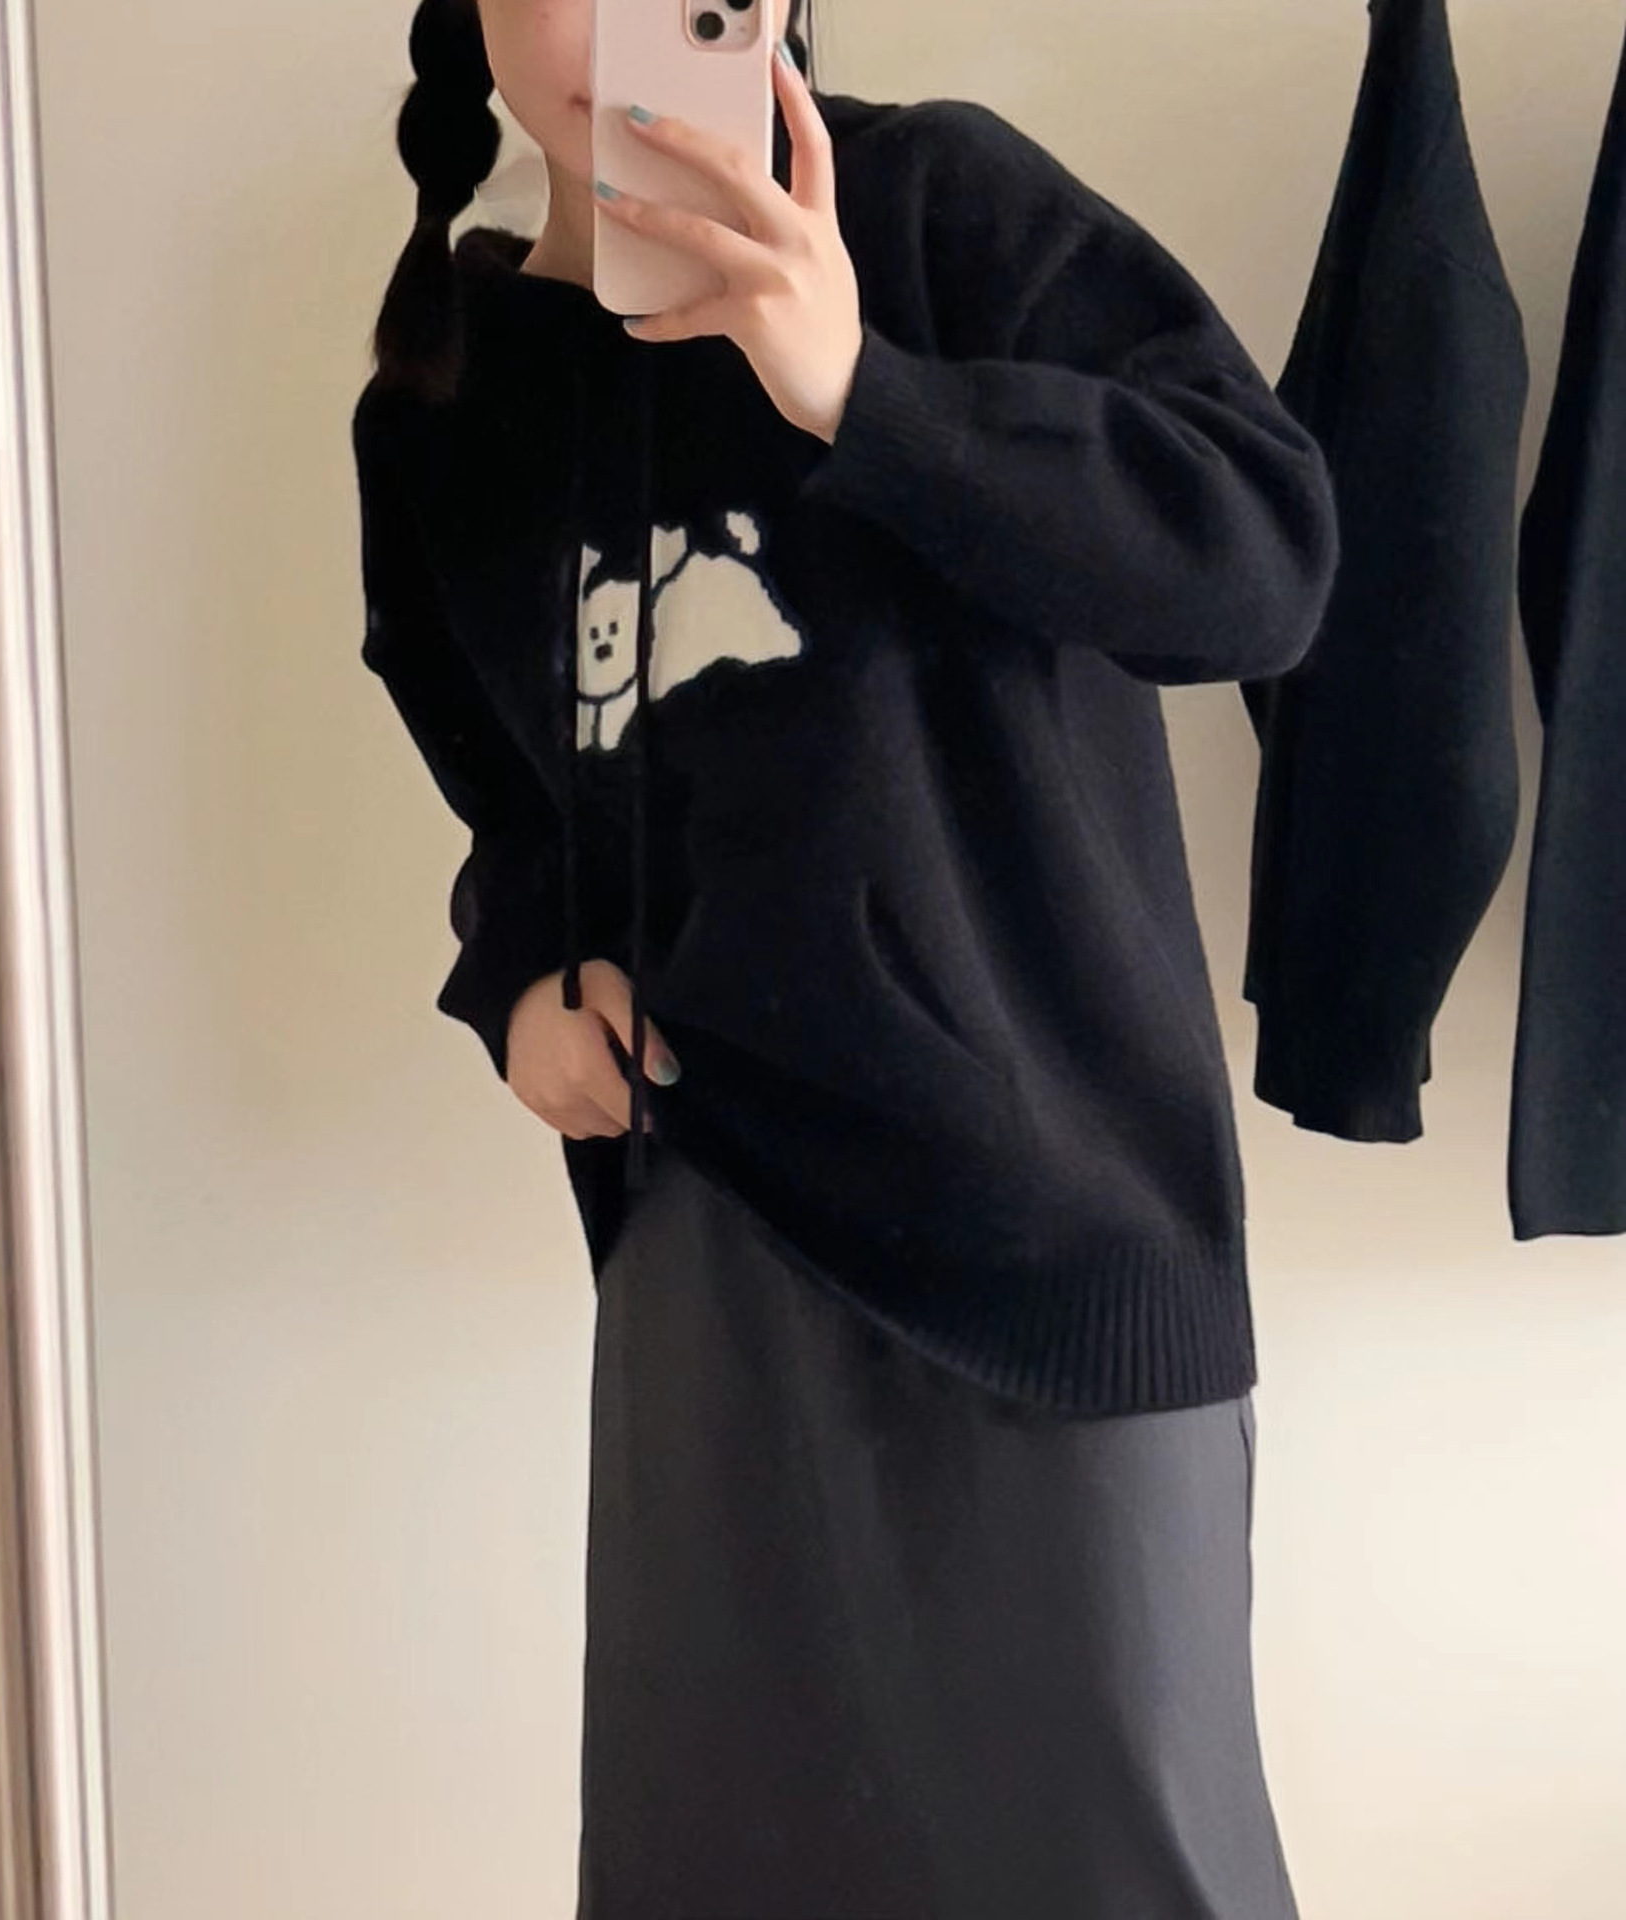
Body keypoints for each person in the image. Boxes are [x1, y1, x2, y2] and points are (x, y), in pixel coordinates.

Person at [351, 0, 1342, 1912]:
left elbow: (1262, 562)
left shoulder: (931, 207)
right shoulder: (443, 403)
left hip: (1058, 1252)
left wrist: (862, 388)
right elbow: (510, 788)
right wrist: (520, 981)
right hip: (713, 1248)